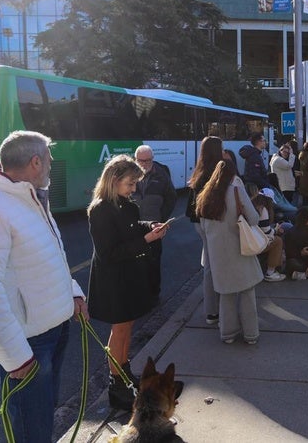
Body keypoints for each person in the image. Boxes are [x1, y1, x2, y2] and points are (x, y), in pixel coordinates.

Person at [0, 131, 89, 443]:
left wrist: (72, 292)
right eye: (49, 161)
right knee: (32, 430)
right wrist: (15, 356)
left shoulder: (29, 196)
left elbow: (48, 255)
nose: (51, 167)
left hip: (54, 330)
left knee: (42, 421)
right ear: (35, 162)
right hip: (29, 344)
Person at [87, 155, 169, 411]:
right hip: (113, 278)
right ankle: (117, 383)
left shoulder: (125, 204)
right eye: (130, 184)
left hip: (128, 274)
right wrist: (146, 240)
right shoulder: (100, 210)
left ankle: (124, 371)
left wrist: (150, 226)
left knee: (127, 326)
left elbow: (132, 227)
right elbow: (108, 253)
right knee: (119, 329)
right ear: (114, 180)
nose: (134, 189)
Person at [196, 160, 263, 344]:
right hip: (239, 248)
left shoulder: (206, 195)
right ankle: (250, 334)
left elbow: (202, 225)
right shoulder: (236, 190)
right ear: (233, 174)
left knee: (226, 294)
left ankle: (228, 334)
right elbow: (254, 219)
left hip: (218, 253)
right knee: (247, 292)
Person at [186, 136, 224, 326]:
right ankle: (213, 310)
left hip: (198, 221)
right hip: (213, 222)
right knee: (213, 266)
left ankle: (213, 310)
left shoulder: (199, 170)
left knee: (209, 262)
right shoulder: (217, 171)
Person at [133, 144, 177, 304]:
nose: (144, 164)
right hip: (134, 226)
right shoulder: (130, 173)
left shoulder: (161, 173)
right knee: (135, 261)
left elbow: (171, 198)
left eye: (148, 160)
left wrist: (161, 218)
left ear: (153, 159)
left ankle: (153, 294)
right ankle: (138, 292)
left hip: (155, 226)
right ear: (135, 159)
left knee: (153, 260)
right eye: (141, 160)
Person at [246, 183, 286, 282]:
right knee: (278, 241)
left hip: (248, 239)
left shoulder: (251, 204)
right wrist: (275, 230)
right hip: (254, 243)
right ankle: (270, 272)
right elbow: (266, 231)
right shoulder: (262, 210)